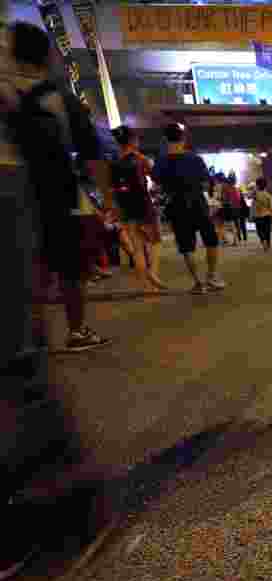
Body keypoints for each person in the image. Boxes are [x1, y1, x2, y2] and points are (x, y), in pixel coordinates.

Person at [4, 22, 112, 352]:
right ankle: (76, 331)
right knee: (70, 269)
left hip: (14, 191)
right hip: (58, 193)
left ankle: (30, 337)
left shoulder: (6, 93)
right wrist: (108, 200)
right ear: (48, 55)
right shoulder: (60, 99)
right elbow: (92, 154)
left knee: (29, 267)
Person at [152, 123, 225, 295]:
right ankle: (212, 276)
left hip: (176, 205)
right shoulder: (195, 159)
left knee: (186, 246)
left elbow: (156, 182)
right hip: (197, 202)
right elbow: (206, 182)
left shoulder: (161, 161)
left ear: (165, 139)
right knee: (211, 240)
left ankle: (198, 283)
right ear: (183, 138)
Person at [110, 126, 165, 294]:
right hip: (144, 204)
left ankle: (145, 286)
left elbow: (112, 188)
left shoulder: (114, 162)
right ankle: (153, 274)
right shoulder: (141, 159)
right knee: (155, 242)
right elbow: (156, 178)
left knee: (137, 247)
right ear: (133, 140)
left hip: (125, 206)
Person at [251, 178, 272, 251]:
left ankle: (263, 240)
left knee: (259, 230)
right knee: (267, 231)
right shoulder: (268, 195)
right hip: (267, 215)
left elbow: (252, 205)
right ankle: (268, 244)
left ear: (257, 185)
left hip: (258, 215)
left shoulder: (255, 195)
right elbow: (271, 207)